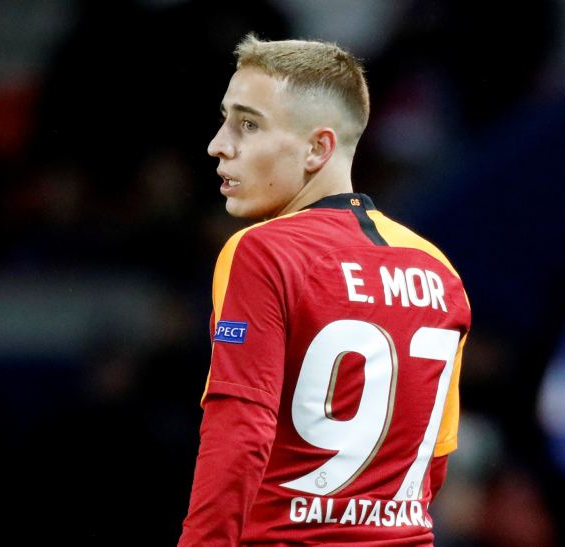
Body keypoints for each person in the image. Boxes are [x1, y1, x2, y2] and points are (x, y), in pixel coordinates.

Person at [178, 34, 471, 546]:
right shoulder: (439, 271)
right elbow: (432, 463)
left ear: (318, 148)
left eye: (248, 124)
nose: (219, 144)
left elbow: (239, 434)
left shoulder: (262, 251)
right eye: (225, 119)